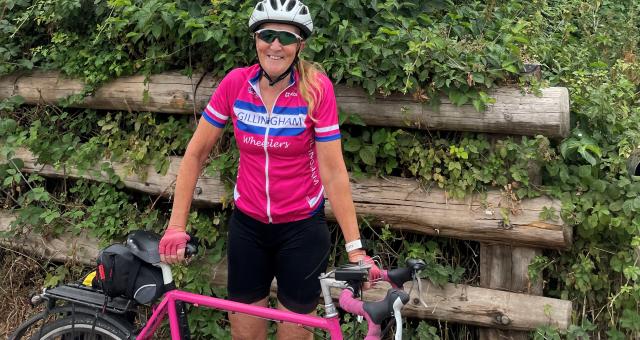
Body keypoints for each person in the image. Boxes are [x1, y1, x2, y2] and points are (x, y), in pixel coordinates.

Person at [158, 0, 377, 339]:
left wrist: (355, 249)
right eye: (267, 35)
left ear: (300, 45)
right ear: (256, 39)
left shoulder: (317, 89)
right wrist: (175, 226)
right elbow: (195, 154)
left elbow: (333, 173)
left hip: (301, 231)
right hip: (249, 228)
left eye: (286, 38)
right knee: (246, 334)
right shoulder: (235, 84)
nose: (275, 45)